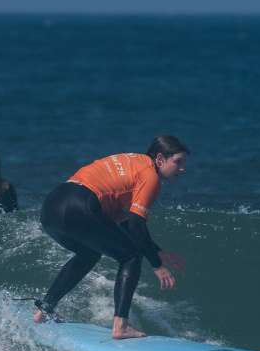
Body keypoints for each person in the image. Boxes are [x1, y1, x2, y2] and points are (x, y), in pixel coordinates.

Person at [33, 135, 189, 339]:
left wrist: (157, 251)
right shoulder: (149, 176)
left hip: (52, 207)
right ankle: (121, 326)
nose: (182, 168)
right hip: (80, 206)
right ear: (160, 159)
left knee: (88, 254)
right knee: (131, 256)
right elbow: (135, 224)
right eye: (178, 162)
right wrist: (157, 265)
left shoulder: (132, 162)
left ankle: (44, 311)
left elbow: (126, 224)